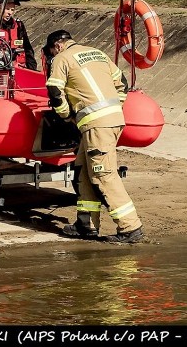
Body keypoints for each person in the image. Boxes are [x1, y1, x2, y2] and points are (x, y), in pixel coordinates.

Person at [45, 29, 144, 244]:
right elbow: (123, 84)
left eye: (51, 51)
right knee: (82, 170)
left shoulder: (62, 58)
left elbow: (54, 89)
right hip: (110, 121)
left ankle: (130, 227)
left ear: (57, 46)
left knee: (103, 174)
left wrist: (65, 115)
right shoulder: (97, 53)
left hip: (95, 125)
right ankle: (86, 224)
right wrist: (113, 110)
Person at [0, 0, 37, 70]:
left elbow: (27, 48)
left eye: (12, 9)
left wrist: (32, 69)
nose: (10, 13)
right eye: (7, 9)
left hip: (16, 67)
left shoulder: (19, 25)